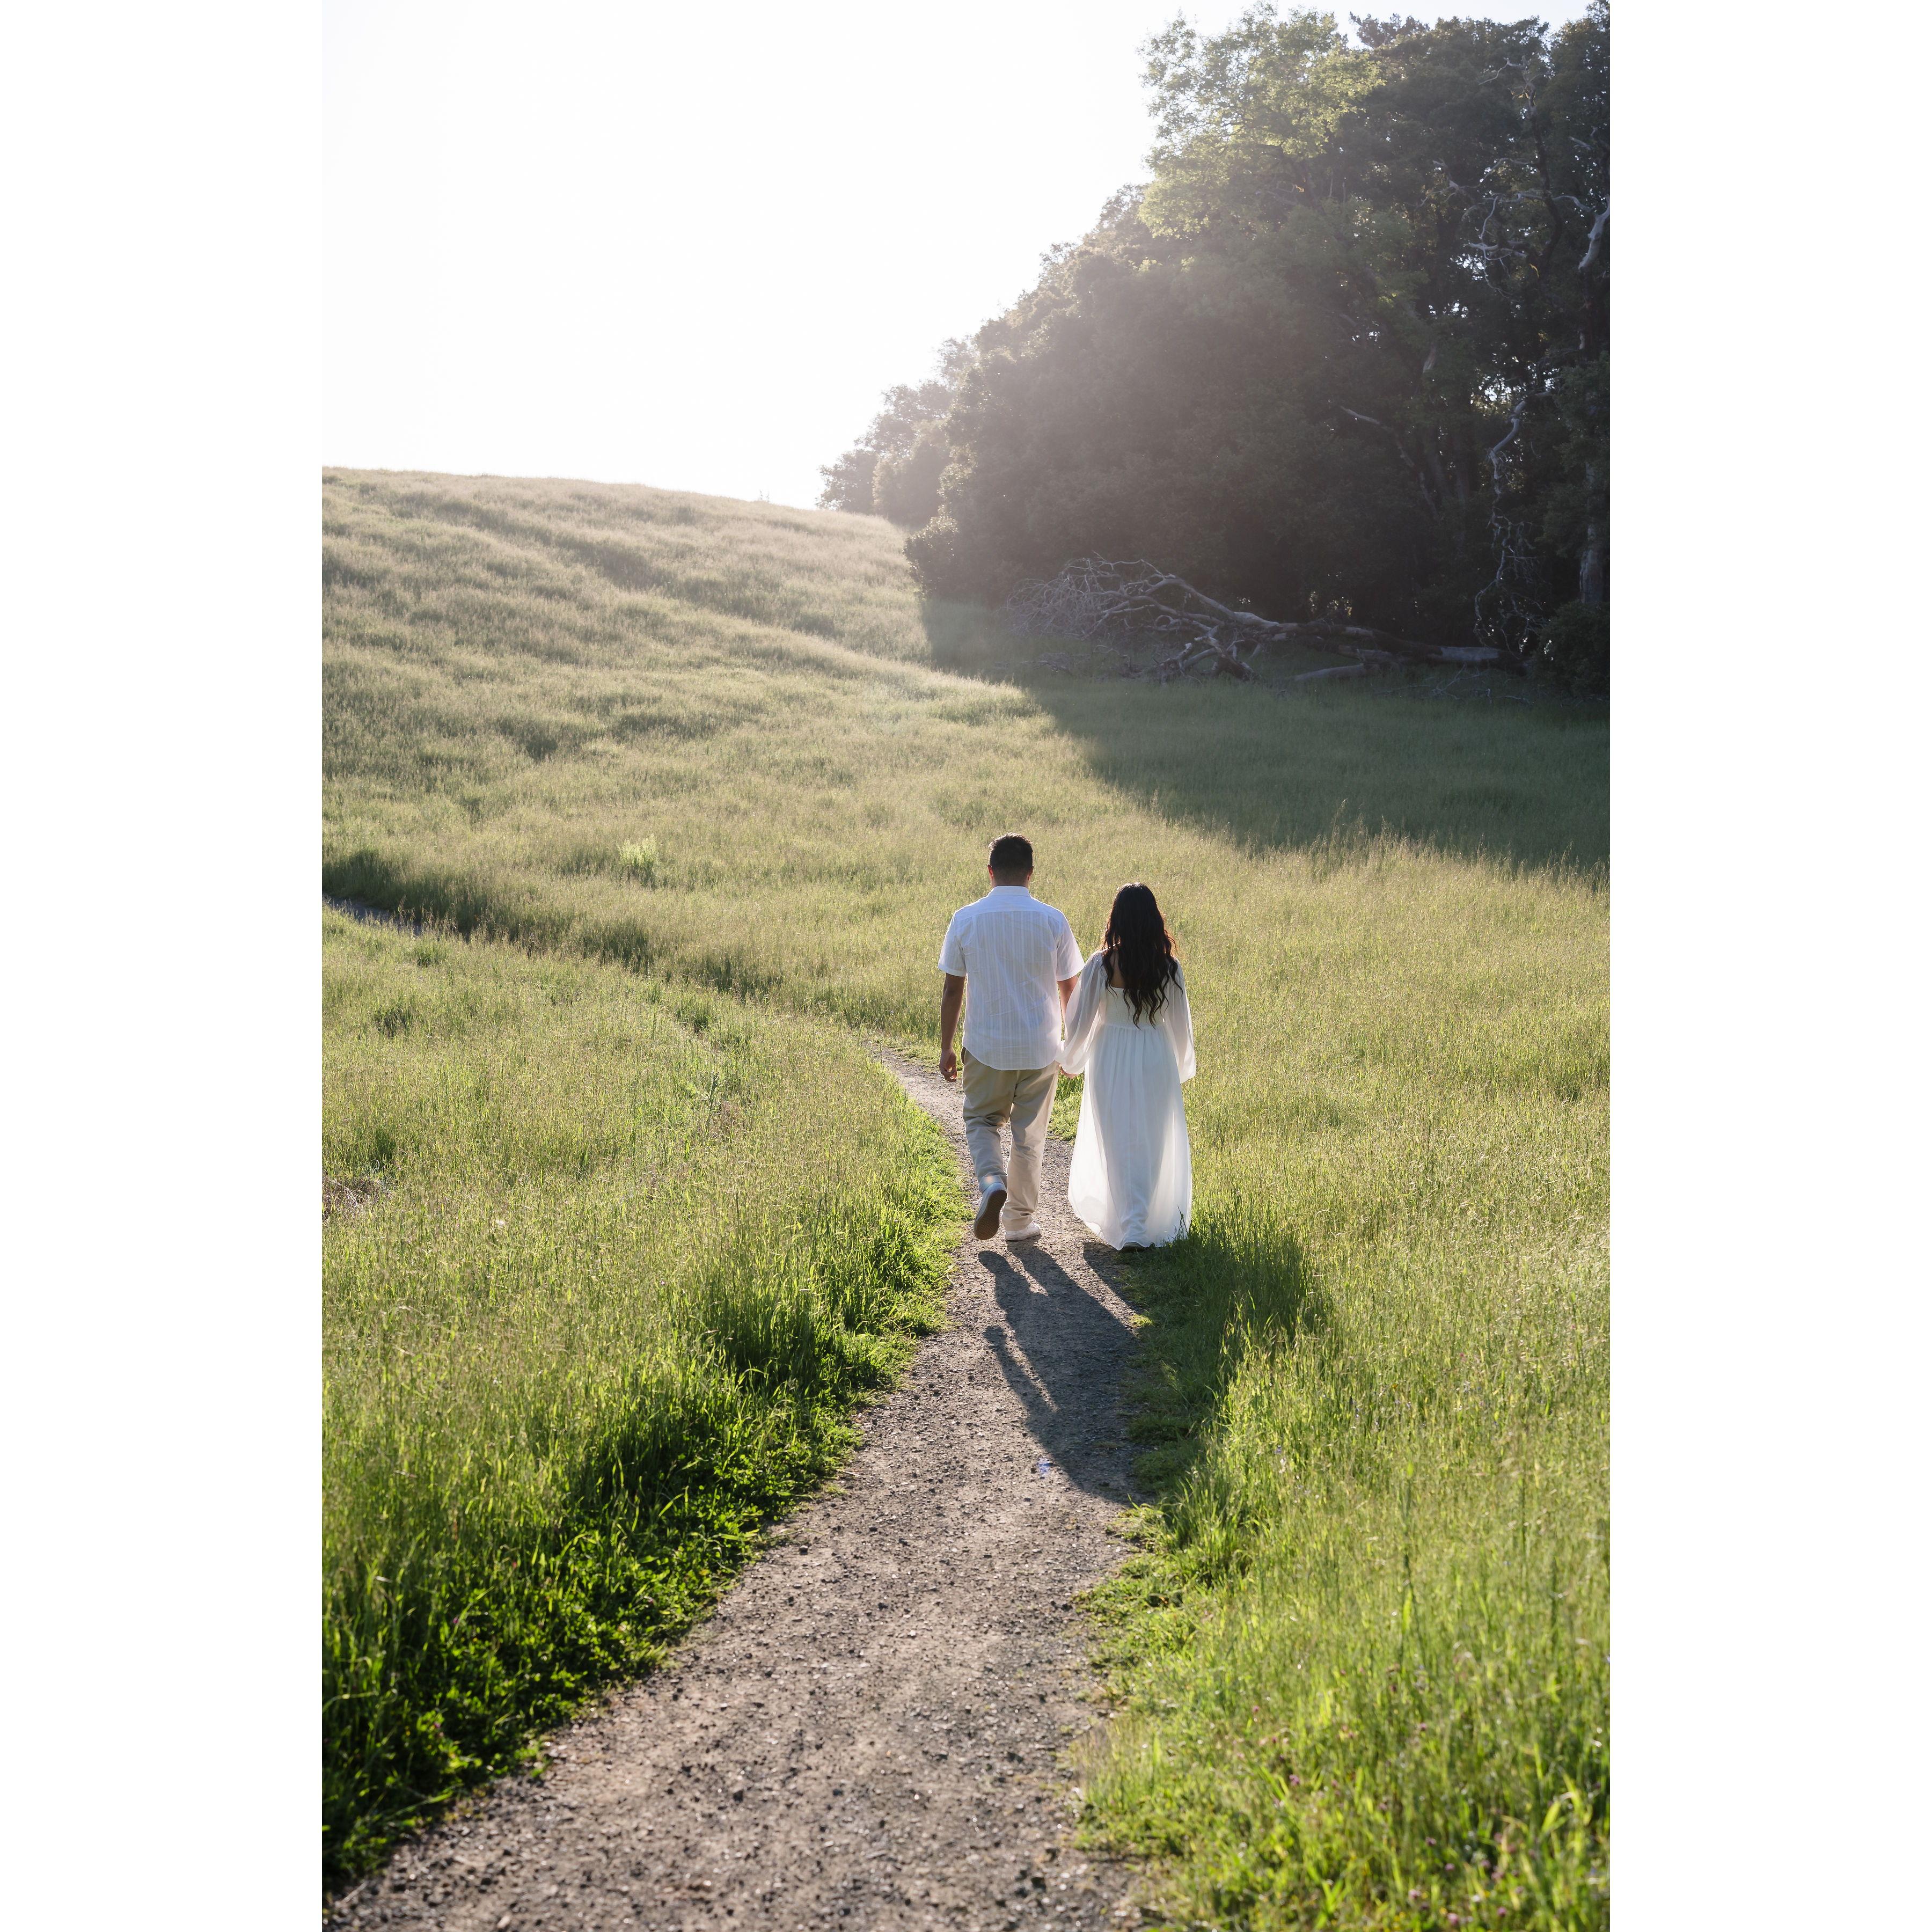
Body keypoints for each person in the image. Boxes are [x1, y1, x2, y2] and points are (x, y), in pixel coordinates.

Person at [938, 835, 1084, 1244]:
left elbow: (953, 989)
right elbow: (1069, 987)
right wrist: (1073, 1047)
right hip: (1041, 1047)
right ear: (1030, 874)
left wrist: (947, 1046)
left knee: (981, 1121)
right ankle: (1019, 1223)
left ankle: (991, 1181)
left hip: (986, 1045)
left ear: (990, 872)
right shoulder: (1053, 920)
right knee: (1029, 1137)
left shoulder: (965, 919)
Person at [1058, 883, 1195, 1250]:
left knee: (1115, 1136)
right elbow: (1180, 1029)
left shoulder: (1101, 964)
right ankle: (1138, 1222)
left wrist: (1070, 1058)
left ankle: (1130, 1224)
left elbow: (1080, 1021)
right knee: (1152, 1139)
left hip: (1111, 1055)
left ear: (1116, 919)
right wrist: (1178, 1069)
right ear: (1153, 920)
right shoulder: (1169, 967)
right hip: (1155, 1054)